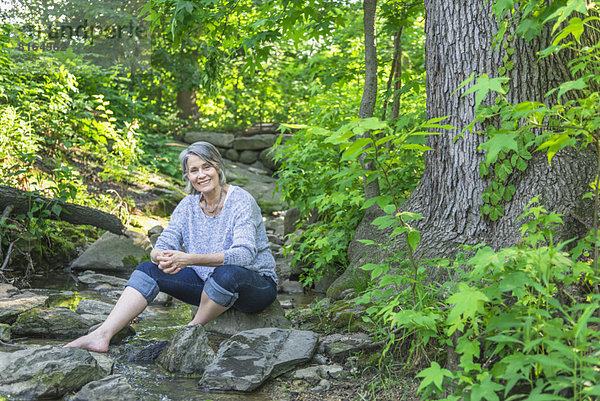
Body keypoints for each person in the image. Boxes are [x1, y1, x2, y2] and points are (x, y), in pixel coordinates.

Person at [65, 141, 278, 353]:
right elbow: (163, 244)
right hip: (207, 285)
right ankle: (102, 335)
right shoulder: (187, 206)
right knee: (147, 270)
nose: (201, 175)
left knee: (227, 273)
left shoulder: (240, 200)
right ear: (187, 176)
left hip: (254, 286)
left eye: (207, 167)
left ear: (218, 167)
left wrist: (189, 259)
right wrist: (160, 256)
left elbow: (244, 255)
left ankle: (189, 330)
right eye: (194, 170)